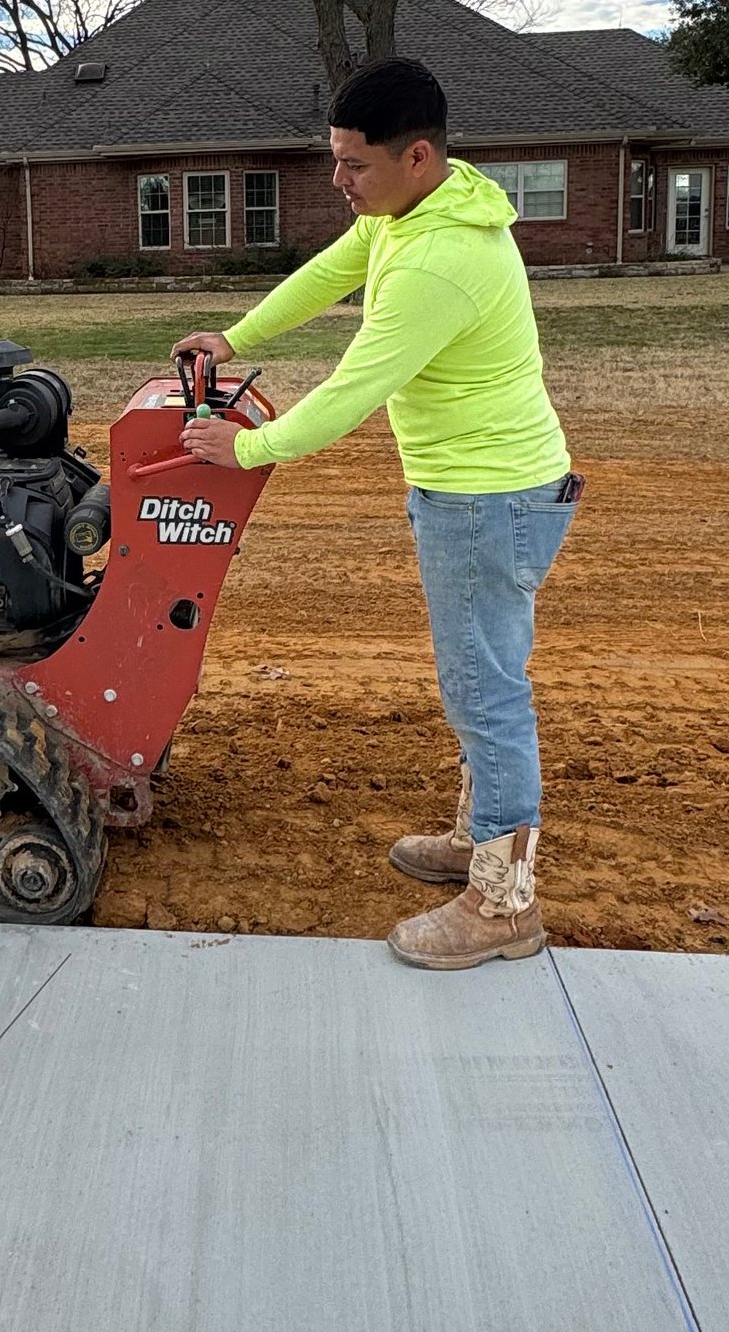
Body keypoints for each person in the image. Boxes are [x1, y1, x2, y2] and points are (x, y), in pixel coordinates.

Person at [174, 55, 581, 969]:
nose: (339, 180)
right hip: (483, 490)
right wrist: (236, 336)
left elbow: (354, 387)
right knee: (484, 678)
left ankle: (504, 904)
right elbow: (330, 271)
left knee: (485, 691)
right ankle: (482, 840)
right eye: (336, 158)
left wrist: (242, 448)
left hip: (487, 498)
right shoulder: (424, 208)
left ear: (420, 156)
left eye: (355, 165)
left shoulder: (442, 257)